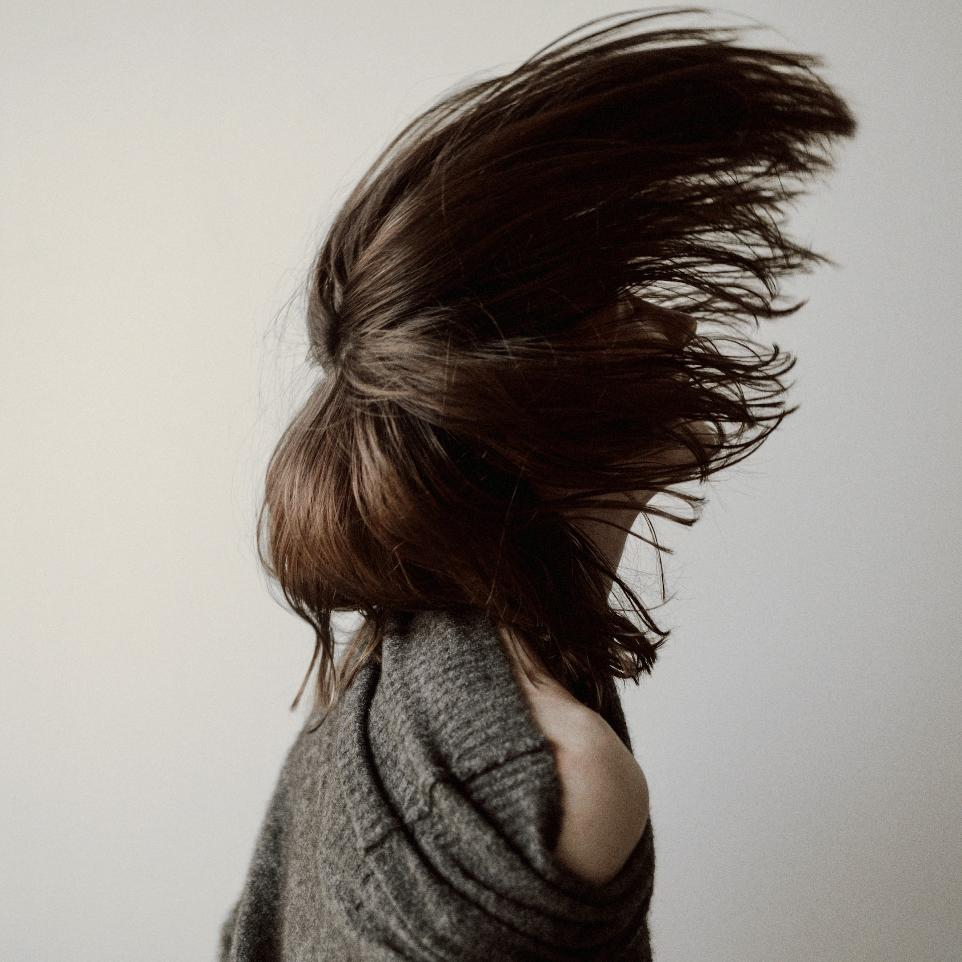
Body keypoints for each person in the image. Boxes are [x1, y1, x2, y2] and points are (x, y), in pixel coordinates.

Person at [219, 7, 857, 959]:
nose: (678, 327)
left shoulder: (383, 673)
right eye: (619, 309)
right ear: (525, 395)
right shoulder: (560, 784)